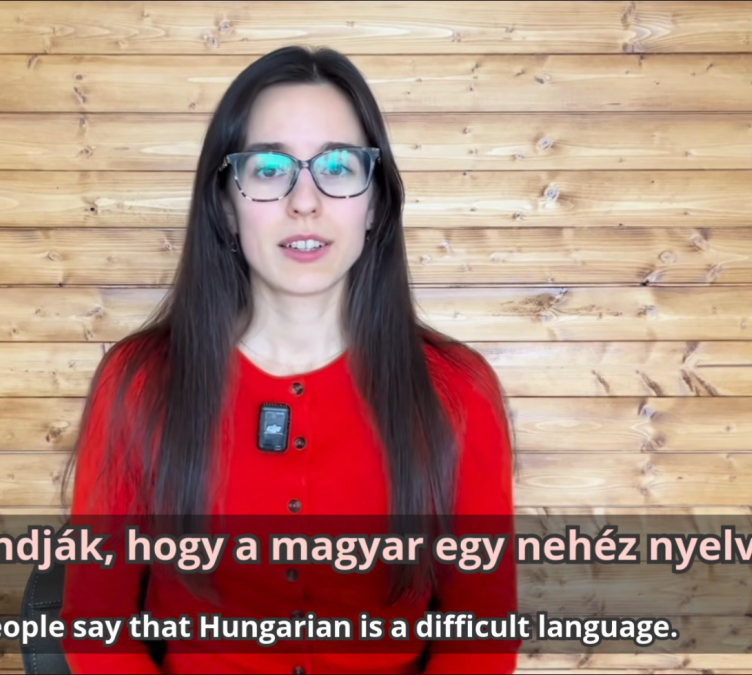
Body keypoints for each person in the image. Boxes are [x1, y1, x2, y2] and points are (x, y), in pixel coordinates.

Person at [59, 46, 517, 674]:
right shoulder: (139, 383)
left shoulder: (458, 391)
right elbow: (96, 628)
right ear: (226, 203)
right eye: (270, 168)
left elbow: (481, 636)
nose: (305, 201)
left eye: (338, 165)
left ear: (375, 203)